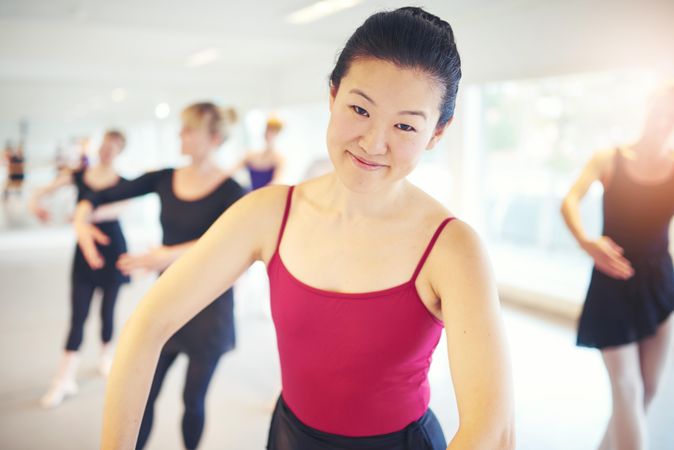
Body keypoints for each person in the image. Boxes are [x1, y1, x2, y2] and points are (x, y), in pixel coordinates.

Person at [84, 8, 514, 450]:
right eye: (359, 109)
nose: (373, 142)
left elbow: (492, 430)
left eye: (405, 125)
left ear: (438, 133)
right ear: (332, 96)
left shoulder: (453, 247)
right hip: (290, 436)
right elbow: (148, 323)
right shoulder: (271, 212)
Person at [74, 102, 244, 450]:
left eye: (188, 129)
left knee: (193, 402)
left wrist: (165, 255)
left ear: (213, 138)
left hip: (209, 311)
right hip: (168, 304)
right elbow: (102, 193)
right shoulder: (165, 177)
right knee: (143, 397)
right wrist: (81, 220)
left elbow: (229, 244)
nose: (180, 134)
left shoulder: (232, 191)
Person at [561, 84, 674, 450]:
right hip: (612, 282)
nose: (665, 121)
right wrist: (586, 241)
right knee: (627, 389)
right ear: (649, 109)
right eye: (662, 111)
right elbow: (570, 202)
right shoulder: (609, 158)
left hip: (660, 284)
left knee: (645, 393)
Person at [30, 130, 130, 408]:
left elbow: (118, 209)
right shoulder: (79, 174)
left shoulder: (122, 183)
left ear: (120, 150)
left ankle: (105, 356)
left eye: (114, 146)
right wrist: (34, 203)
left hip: (112, 250)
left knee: (108, 309)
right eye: (106, 144)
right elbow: (42, 190)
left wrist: (83, 216)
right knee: (78, 314)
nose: (108, 150)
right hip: (83, 256)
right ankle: (64, 378)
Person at [236, 115, 285, 190]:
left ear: (277, 134)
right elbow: (232, 171)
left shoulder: (279, 159)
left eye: (272, 131)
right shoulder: (250, 155)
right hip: (250, 194)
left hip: (266, 196)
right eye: (267, 129)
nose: (268, 133)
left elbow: (276, 182)